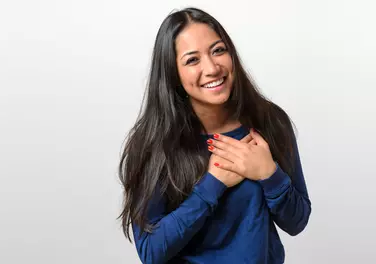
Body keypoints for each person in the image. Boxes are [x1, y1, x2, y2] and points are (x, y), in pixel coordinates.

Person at [118, 7, 311, 264]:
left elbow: (297, 222)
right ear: (173, 74)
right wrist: (212, 184)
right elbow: (151, 252)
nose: (211, 68)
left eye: (218, 50)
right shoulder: (154, 143)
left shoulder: (270, 122)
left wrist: (269, 173)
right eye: (192, 60)